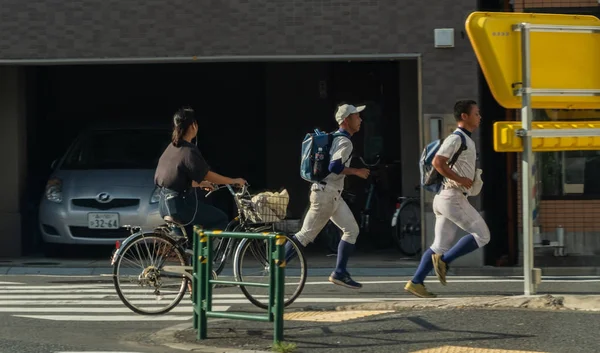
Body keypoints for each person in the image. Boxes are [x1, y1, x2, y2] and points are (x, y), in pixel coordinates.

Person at [405, 99, 490, 298]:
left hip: (444, 198)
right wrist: (460, 178)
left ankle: (416, 282)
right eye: (476, 113)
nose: (479, 117)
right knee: (483, 236)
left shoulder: (465, 140)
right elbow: (437, 162)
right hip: (452, 197)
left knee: (438, 246)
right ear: (464, 116)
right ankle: (445, 261)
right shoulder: (457, 138)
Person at [285, 103, 370, 289]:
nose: (360, 119)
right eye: (357, 116)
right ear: (347, 120)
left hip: (331, 195)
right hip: (326, 195)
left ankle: (340, 273)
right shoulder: (345, 142)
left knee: (351, 230)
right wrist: (356, 171)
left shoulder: (335, 138)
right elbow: (334, 167)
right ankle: (275, 265)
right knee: (305, 235)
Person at [154, 106, 247, 238]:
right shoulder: (189, 150)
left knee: (190, 240)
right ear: (193, 126)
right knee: (220, 219)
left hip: (164, 204)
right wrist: (233, 181)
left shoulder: (172, 147)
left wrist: (200, 183)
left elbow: (176, 178)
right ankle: (210, 257)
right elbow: (207, 174)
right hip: (180, 205)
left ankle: (193, 256)